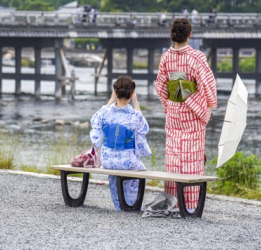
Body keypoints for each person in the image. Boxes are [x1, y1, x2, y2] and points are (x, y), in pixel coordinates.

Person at [155, 18, 217, 212]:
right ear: (190, 34)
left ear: (172, 34)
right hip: (192, 114)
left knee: (173, 157)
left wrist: (171, 105)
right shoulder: (196, 57)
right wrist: (205, 109)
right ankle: (189, 206)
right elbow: (207, 87)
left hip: (174, 113)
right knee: (191, 157)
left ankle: (172, 203)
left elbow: (161, 87)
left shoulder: (166, 57)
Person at [90, 76, 151, 211]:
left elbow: (95, 127)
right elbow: (143, 129)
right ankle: (133, 205)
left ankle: (119, 206)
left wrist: (111, 100)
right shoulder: (134, 115)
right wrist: (136, 102)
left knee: (114, 174)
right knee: (139, 167)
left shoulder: (104, 113)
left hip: (108, 161)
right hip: (127, 161)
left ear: (115, 92)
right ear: (131, 94)